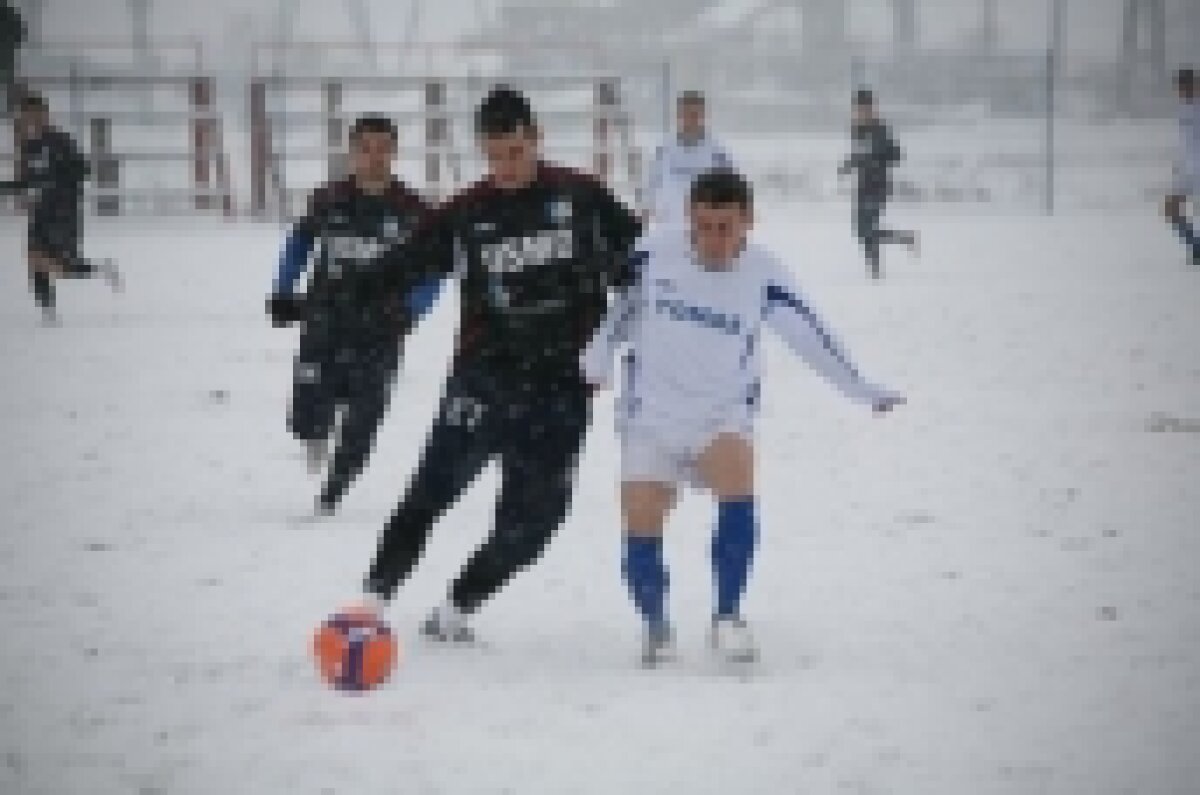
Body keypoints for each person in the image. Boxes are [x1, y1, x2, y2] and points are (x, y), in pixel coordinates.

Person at [340, 86, 641, 642]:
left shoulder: (583, 198)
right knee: (431, 490)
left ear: (536, 139)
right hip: (483, 379)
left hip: (562, 388)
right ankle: (371, 601)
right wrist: (355, 296)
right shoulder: (467, 211)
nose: (504, 167)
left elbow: (641, 264)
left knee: (534, 527)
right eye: (493, 155)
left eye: (514, 153)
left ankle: (455, 609)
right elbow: (404, 263)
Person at [580, 168, 905, 667]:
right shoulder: (653, 254)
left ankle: (727, 616)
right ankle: (656, 625)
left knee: (738, 487)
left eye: (726, 227)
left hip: (721, 414)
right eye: (704, 225)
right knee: (641, 525)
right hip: (651, 416)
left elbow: (810, 334)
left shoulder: (763, 272)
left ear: (748, 220)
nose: (714, 239)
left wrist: (860, 389)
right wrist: (598, 357)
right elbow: (621, 310)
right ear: (689, 217)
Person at [267, 115, 438, 515]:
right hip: (325, 317)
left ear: (394, 152)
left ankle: (333, 493)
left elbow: (435, 269)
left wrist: (412, 309)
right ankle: (315, 432)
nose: (374, 157)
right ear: (352, 151)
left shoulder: (413, 209)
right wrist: (282, 292)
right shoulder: (328, 199)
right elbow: (298, 246)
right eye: (366, 148)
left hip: (381, 325)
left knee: (365, 417)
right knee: (307, 412)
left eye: (383, 148)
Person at [0, 93, 119, 325]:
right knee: (34, 258)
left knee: (60, 266)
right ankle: (48, 313)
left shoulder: (61, 141)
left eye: (33, 115)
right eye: (25, 117)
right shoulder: (28, 147)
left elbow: (83, 170)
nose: (29, 121)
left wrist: (59, 177)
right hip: (41, 210)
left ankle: (100, 269)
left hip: (63, 212)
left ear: (44, 114)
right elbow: (28, 182)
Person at [838, 88, 917, 280]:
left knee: (869, 229)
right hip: (862, 185)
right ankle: (903, 238)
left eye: (865, 109)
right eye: (858, 109)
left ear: (873, 109)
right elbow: (860, 155)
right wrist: (849, 164)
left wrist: (877, 161)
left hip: (879, 185)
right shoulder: (856, 131)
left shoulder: (880, 130)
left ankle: (875, 271)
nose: (861, 113)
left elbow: (896, 155)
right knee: (860, 230)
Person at [643, 90, 734, 228]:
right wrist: (648, 208)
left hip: (706, 226)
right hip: (669, 223)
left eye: (695, 114)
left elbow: (729, 185)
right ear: (679, 115)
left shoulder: (717, 151)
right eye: (686, 114)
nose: (691, 119)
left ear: (703, 115)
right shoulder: (664, 148)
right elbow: (652, 181)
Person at [1164, 67, 1198, 266]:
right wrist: (1179, 163)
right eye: (1179, 87)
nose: (1181, 91)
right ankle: (1195, 246)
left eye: (1185, 86)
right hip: (1187, 169)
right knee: (1170, 208)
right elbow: (1186, 140)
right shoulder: (1183, 108)